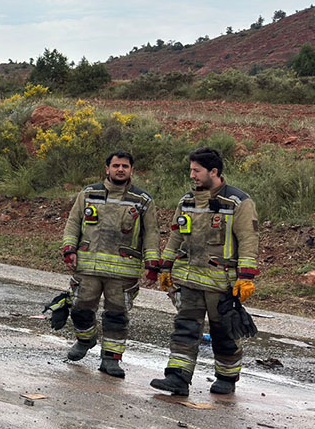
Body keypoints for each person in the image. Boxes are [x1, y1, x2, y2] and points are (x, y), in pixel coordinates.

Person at [151, 147, 260, 396]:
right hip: (188, 279)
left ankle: (227, 378)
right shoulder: (187, 201)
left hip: (221, 283)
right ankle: (177, 378)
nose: (192, 175)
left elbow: (248, 240)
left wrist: (245, 277)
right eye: (191, 170)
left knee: (224, 332)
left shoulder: (238, 202)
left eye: (197, 171)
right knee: (185, 328)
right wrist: (166, 267)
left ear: (214, 171)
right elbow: (176, 235)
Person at [60, 151, 160, 378]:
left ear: (131, 171)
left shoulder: (143, 200)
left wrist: (152, 264)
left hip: (123, 271)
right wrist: (69, 250)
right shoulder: (88, 193)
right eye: (116, 165)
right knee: (80, 309)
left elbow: (151, 233)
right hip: (87, 267)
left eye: (125, 166)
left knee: (117, 316)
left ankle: (111, 360)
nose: (120, 169)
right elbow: (73, 223)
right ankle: (85, 339)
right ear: (107, 169)